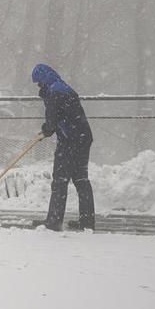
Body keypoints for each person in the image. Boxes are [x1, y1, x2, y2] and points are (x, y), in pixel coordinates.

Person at [32, 63, 95, 232]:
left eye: (39, 83)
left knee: (60, 180)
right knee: (81, 180)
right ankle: (87, 222)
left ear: (43, 80)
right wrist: (50, 128)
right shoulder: (63, 87)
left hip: (70, 140)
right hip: (83, 138)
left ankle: (54, 221)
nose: (38, 87)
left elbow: (52, 122)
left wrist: (46, 130)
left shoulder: (54, 92)